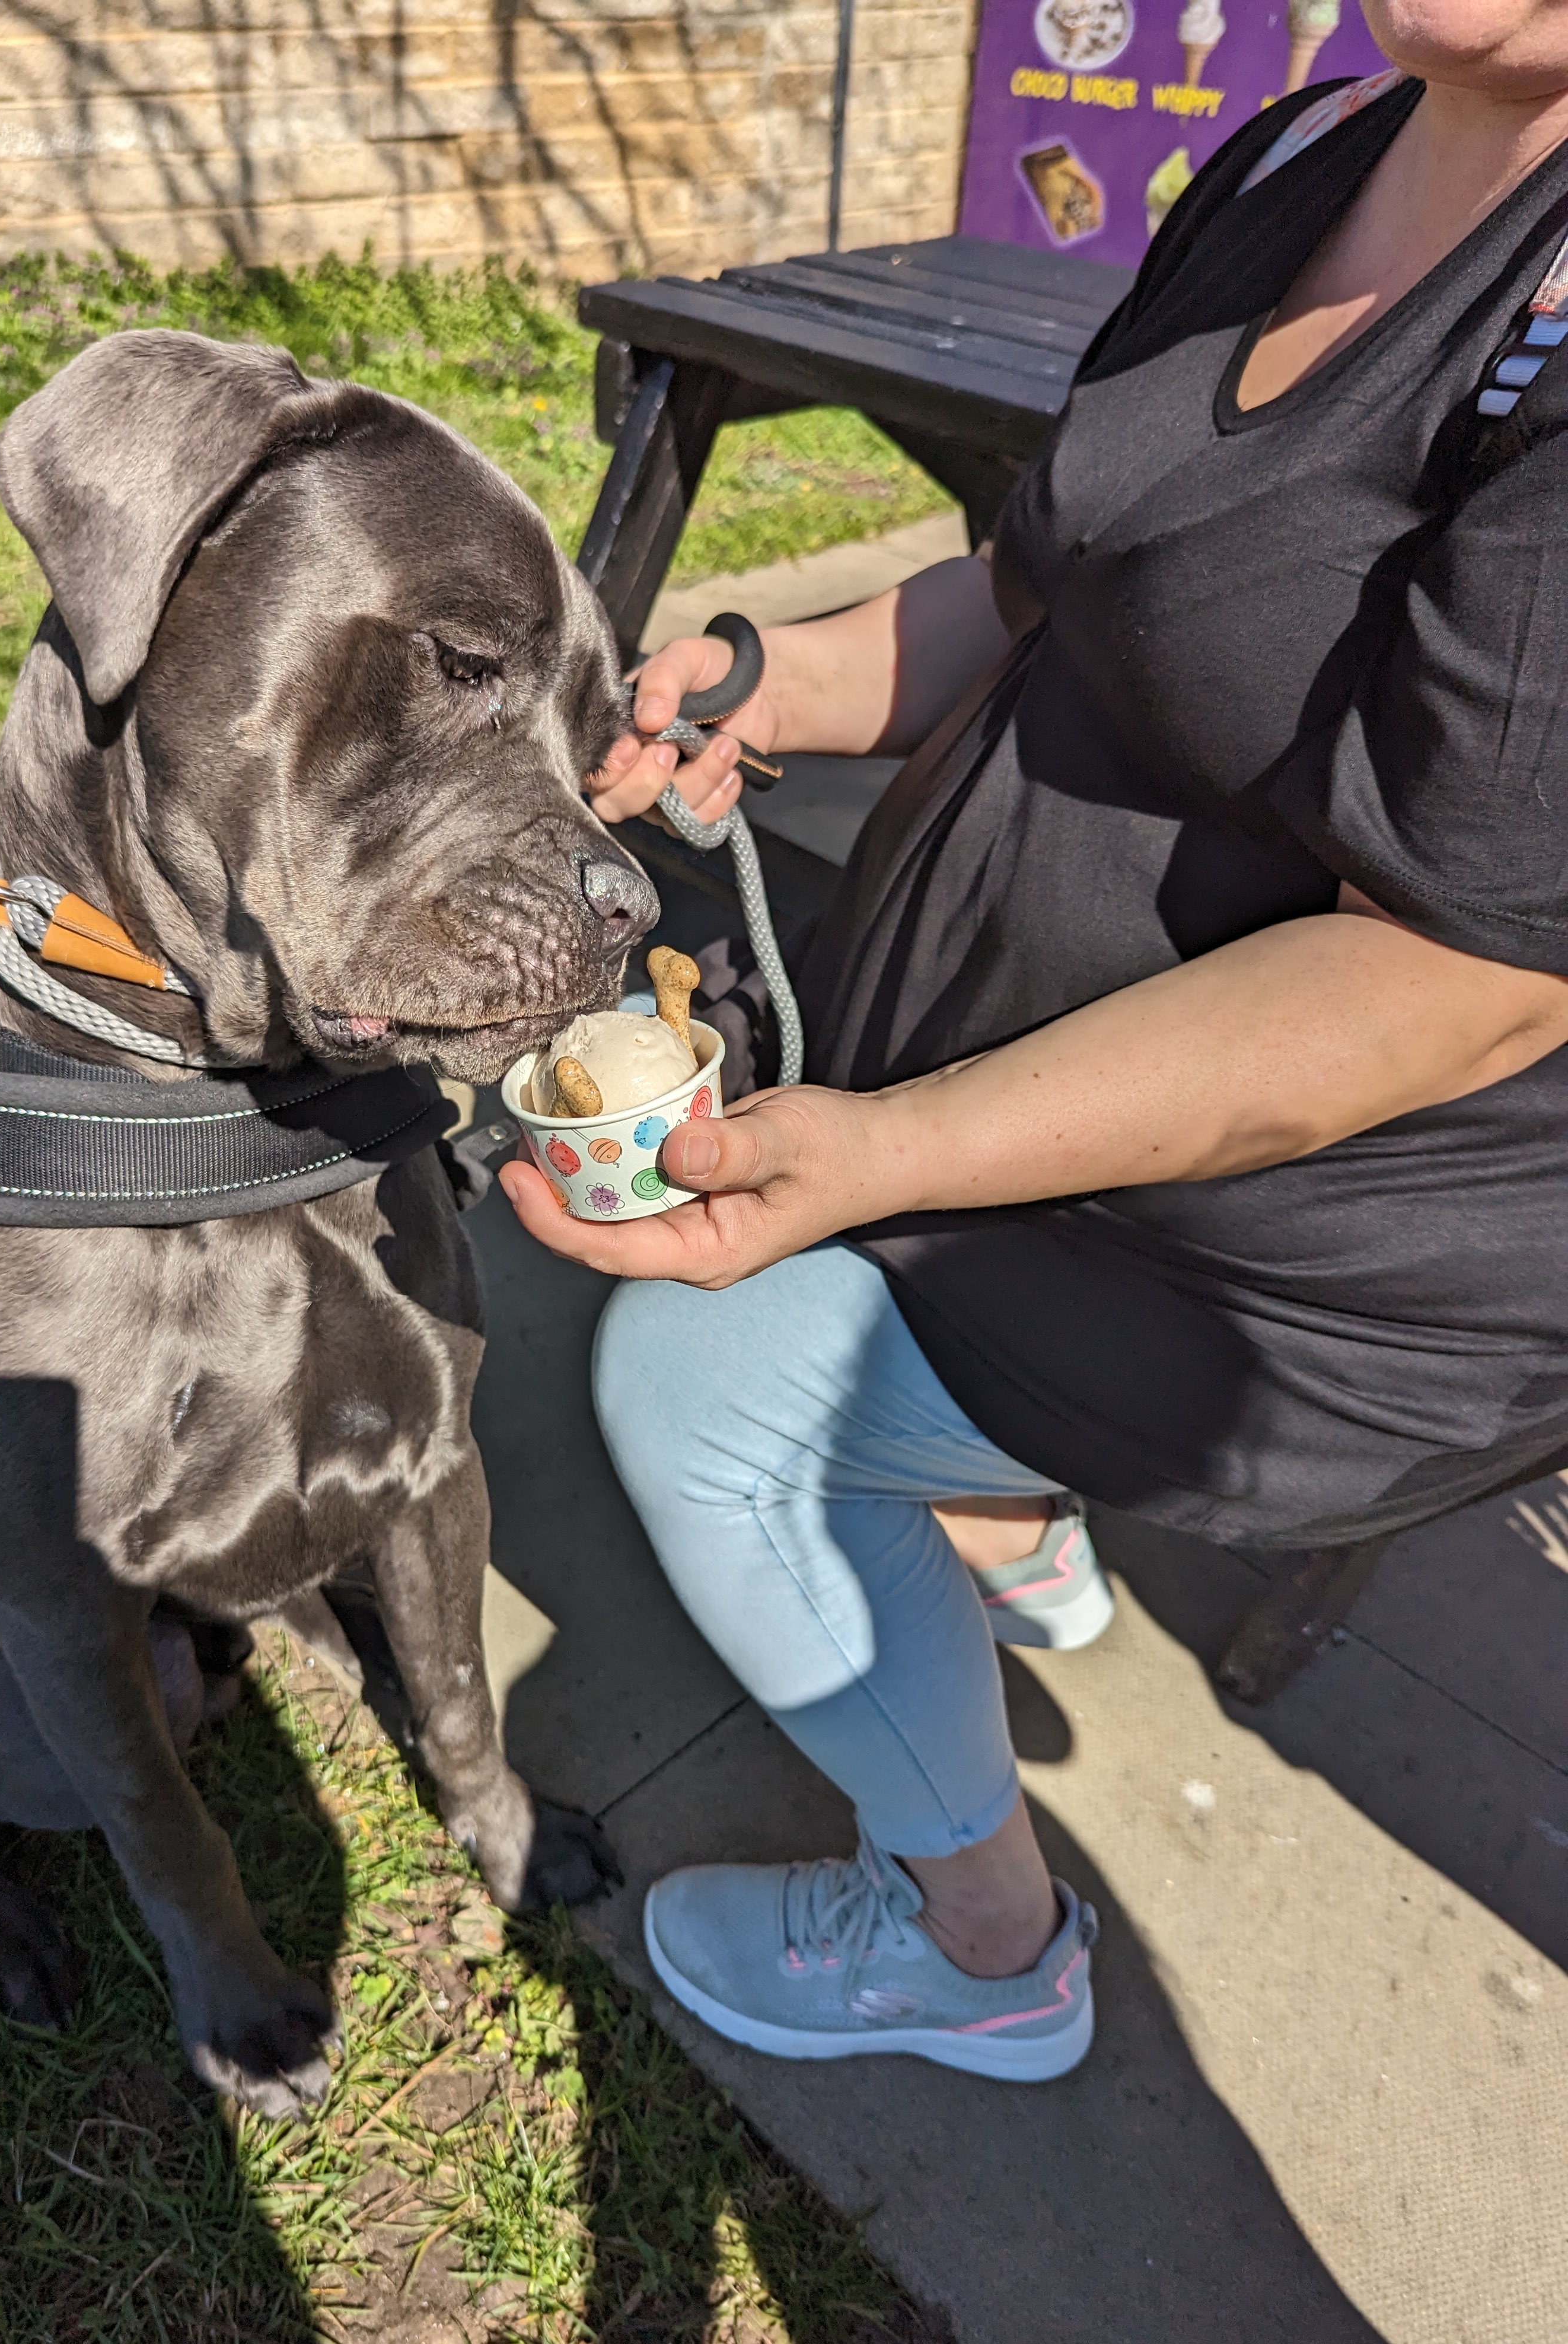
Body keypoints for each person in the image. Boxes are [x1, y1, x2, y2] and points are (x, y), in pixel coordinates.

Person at [500, 0, 1568, 2081]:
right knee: (863, 1357)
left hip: (1325, 1230)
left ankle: (983, 1952)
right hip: (1019, 1079)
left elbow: (1464, 977)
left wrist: (892, 1153)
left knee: (716, 1394)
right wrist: (775, 676)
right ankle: (1008, 1521)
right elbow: (1069, 573)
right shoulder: (1302, 150)